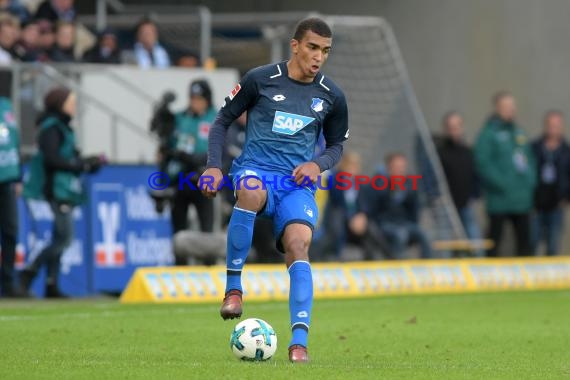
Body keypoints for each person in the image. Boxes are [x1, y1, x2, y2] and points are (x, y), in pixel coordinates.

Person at [200, 17, 349, 363]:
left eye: (325, 51)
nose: (318, 57)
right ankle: (233, 290)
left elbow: (337, 145)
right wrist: (213, 166)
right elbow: (222, 121)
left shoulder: (332, 96)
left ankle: (299, 343)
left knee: (299, 246)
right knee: (249, 191)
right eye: (312, 47)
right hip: (255, 170)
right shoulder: (259, 79)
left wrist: (318, 164)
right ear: (295, 46)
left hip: (294, 185)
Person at [20, 87, 104, 298]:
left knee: (60, 236)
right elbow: (52, 158)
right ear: (60, 104)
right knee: (64, 238)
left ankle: (51, 284)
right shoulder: (52, 127)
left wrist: (87, 162)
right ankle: (30, 271)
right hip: (53, 189)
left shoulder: (63, 127)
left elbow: (67, 156)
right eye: (71, 102)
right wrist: (80, 166)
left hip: (63, 188)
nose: (74, 107)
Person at [474, 91, 536, 257]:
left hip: (522, 198)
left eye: (512, 106)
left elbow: (529, 160)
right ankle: (488, 276)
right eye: (506, 106)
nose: (511, 110)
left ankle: (526, 278)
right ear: (497, 108)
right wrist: (502, 184)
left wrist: (530, 182)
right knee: (494, 240)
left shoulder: (519, 132)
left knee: (524, 241)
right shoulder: (489, 133)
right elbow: (483, 163)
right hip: (499, 199)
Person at [163, 80, 216, 264]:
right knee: (179, 226)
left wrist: (194, 158)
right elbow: (168, 144)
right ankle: (181, 267)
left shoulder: (216, 118)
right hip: (181, 177)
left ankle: (209, 268)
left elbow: (219, 149)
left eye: (199, 98)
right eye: (192, 98)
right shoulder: (180, 118)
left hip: (204, 179)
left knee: (206, 227)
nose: (195, 102)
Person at [364, 153, 432, 259]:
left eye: (403, 167)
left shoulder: (410, 185)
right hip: (385, 224)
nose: (400, 171)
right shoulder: (378, 184)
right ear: (389, 168)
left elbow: (415, 208)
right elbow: (372, 209)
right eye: (397, 167)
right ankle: (396, 265)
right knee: (400, 235)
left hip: (404, 223)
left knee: (423, 235)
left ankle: (427, 267)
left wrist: (411, 222)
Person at [437, 111, 483, 256]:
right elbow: (431, 178)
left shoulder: (468, 151)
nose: (454, 131)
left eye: (457, 127)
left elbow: (476, 175)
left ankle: (478, 269)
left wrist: (475, 195)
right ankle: (443, 272)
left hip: (465, 203)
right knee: (444, 242)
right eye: (450, 127)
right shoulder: (439, 153)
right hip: (446, 205)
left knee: (474, 238)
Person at [0, 71, 26, 297]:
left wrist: (18, 176)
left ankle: (8, 283)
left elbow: (15, 141)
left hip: (7, 178)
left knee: (10, 231)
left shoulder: (6, 106)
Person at [531, 110, 570, 256]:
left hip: (557, 204)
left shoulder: (566, 151)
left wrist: (566, 198)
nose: (553, 129)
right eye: (550, 125)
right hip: (537, 203)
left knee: (553, 244)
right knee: (533, 242)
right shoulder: (534, 148)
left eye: (556, 126)